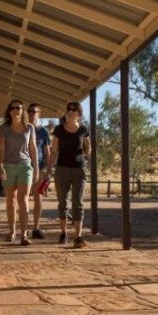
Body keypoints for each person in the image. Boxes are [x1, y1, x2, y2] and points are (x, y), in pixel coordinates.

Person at [46, 101, 91, 248]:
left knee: (78, 204)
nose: (71, 112)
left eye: (74, 110)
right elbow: (53, 151)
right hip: (62, 170)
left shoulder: (83, 130)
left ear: (79, 113)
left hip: (79, 170)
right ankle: (64, 233)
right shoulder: (59, 129)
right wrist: (49, 169)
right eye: (69, 110)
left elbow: (87, 152)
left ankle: (78, 237)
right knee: (63, 203)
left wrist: (89, 147)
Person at [0, 99, 38, 246]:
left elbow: (33, 149)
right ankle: (12, 231)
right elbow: (0, 149)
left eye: (18, 108)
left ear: (23, 110)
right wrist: (0, 166)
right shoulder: (3, 128)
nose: (15, 110)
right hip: (8, 166)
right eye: (12, 108)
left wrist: (36, 169)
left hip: (25, 166)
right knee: (10, 201)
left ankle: (24, 235)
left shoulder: (29, 128)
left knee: (23, 200)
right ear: (9, 111)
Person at [28, 103, 51, 239]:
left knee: (38, 197)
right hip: (24, 167)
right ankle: (22, 228)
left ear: (39, 114)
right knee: (22, 199)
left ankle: (36, 227)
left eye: (34, 112)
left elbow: (47, 151)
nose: (31, 114)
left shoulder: (43, 132)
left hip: (40, 168)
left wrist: (49, 168)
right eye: (29, 111)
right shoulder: (23, 128)